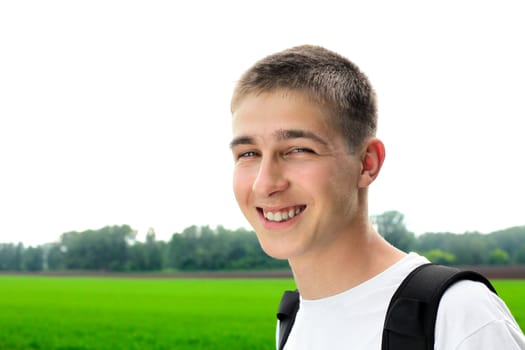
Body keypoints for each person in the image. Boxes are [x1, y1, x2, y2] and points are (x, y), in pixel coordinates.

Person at [229, 44, 525, 349]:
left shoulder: (459, 317)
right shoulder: (293, 321)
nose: (265, 184)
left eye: (298, 150)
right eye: (248, 153)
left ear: (367, 163)